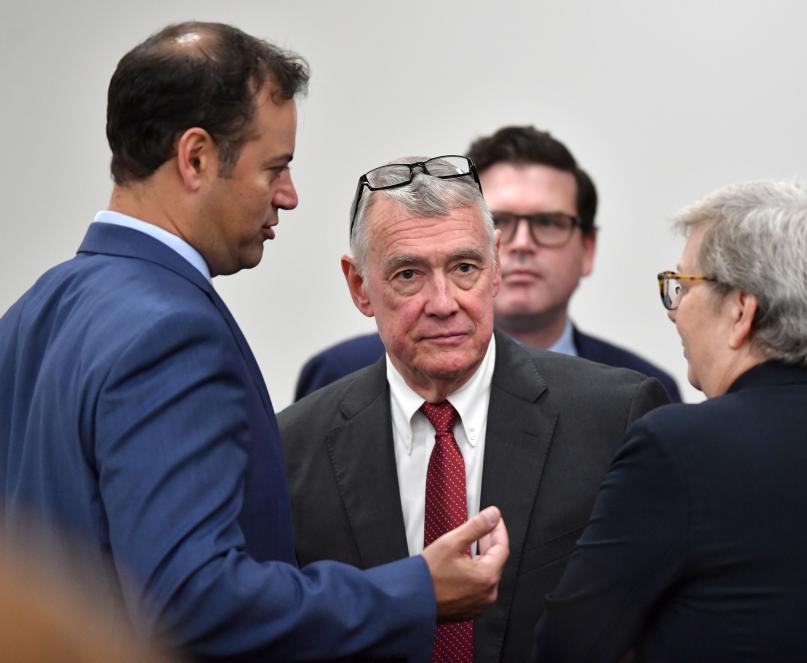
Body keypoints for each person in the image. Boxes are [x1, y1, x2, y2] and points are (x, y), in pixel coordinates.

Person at [0, 23, 507, 661]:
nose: (289, 197)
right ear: (196, 158)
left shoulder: (33, 310)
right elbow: (191, 603)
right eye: (277, 166)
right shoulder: (170, 330)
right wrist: (417, 590)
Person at [533, 180, 807, 662]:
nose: (675, 311)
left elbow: (568, 647)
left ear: (742, 311)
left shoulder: (679, 447)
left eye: (684, 286)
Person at [279, 155, 670, 662]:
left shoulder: (615, 415)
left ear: (496, 267)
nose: (443, 302)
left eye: (464, 268)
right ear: (359, 287)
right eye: (408, 274)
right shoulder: (293, 447)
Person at [294, 126, 682, 403]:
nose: (522, 244)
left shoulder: (638, 393)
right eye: (503, 221)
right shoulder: (338, 374)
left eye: (548, 223)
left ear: (588, 248)